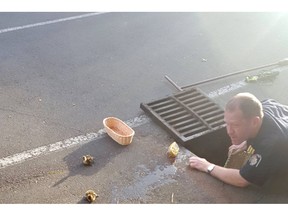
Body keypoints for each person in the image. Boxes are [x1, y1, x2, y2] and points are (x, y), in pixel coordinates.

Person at [189, 92, 288, 188]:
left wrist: (207, 166)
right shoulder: (264, 107)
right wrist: (246, 142)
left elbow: (242, 180)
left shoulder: (272, 142)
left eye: (236, 125)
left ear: (255, 122)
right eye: (227, 123)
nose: (229, 131)